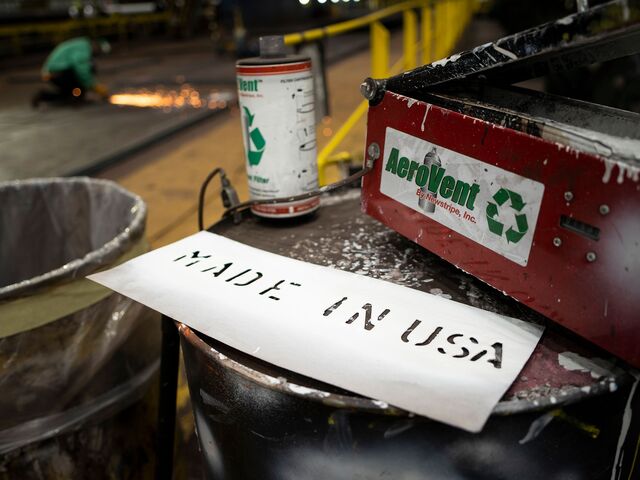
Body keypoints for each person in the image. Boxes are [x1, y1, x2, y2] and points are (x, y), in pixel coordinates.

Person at [32, 37, 110, 107]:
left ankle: (43, 96)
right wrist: (95, 87)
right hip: (58, 73)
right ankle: (78, 97)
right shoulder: (83, 48)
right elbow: (82, 71)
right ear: (96, 45)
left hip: (50, 74)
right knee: (89, 69)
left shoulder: (80, 43)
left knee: (66, 94)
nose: (97, 54)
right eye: (99, 51)